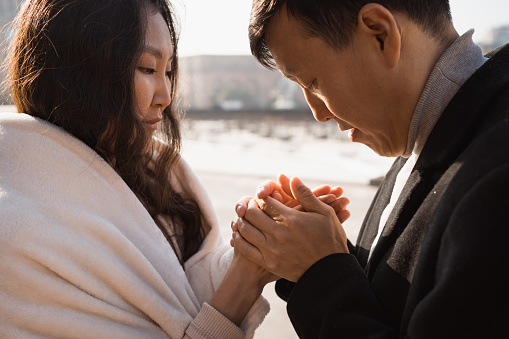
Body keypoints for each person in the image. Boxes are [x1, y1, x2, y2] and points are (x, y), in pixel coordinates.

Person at [0, 0, 352, 337]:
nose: (165, 94)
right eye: (148, 69)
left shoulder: (158, 174)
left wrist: (257, 244)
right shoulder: (20, 230)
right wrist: (248, 275)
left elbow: (177, 294)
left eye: (168, 71)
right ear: (79, 71)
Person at [232, 0, 509, 337]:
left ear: (380, 33)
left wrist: (319, 272)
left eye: (313, 82)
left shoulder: (495, 175)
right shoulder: (424, 137)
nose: (317, 113)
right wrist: (315, 252)